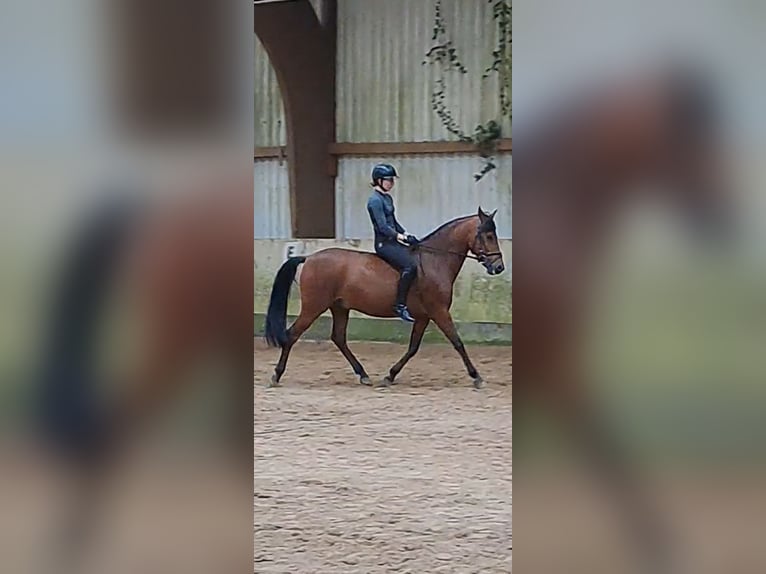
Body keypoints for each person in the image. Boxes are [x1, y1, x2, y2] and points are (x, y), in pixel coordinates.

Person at [366, 163, 420, 322]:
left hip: (394, 240)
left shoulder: (387, 198)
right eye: (388, 180)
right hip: (384, 244)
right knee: (410, 266)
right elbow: (383, 227)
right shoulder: (374, 200)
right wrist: (401, 237)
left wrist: (406, 234)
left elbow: (393, 222)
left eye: (392, 180)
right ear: (379, 180)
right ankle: (400, 305)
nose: (391, 183)